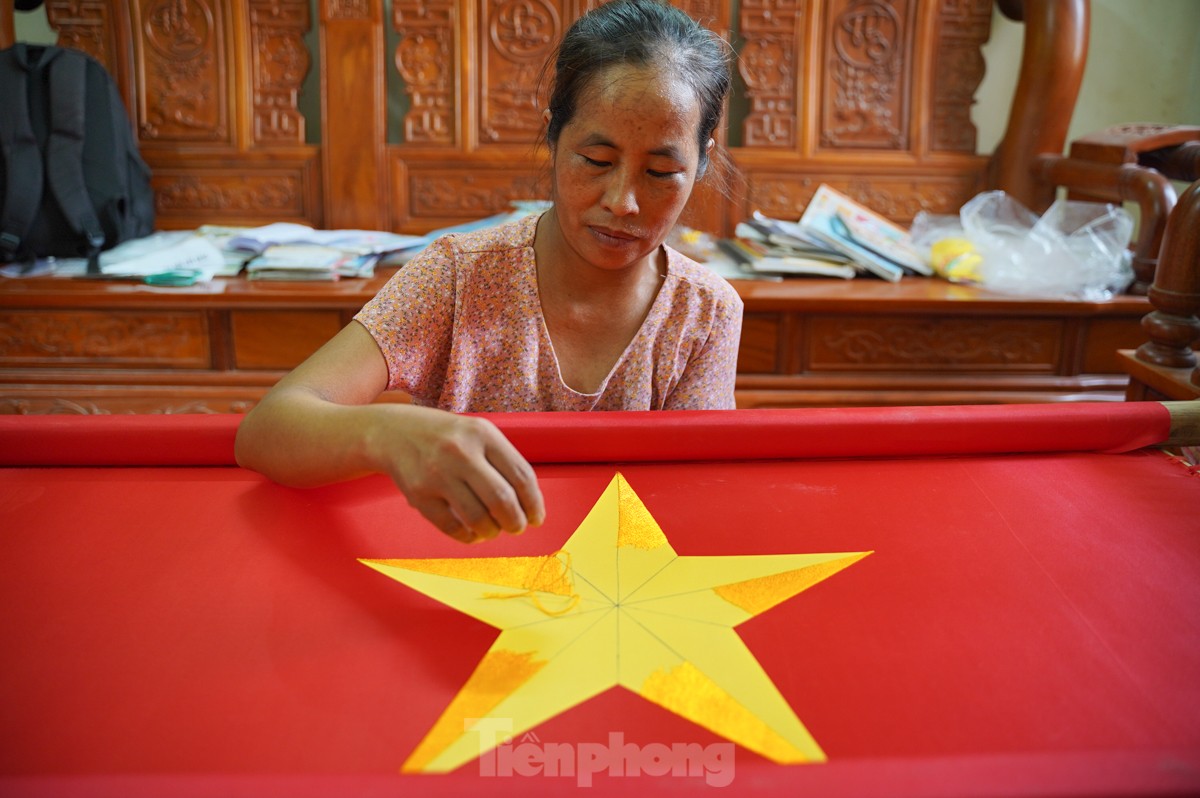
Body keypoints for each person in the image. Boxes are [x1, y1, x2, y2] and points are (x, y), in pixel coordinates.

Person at [234, 0, 743, 544]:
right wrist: (386, 433)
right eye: (596, 161)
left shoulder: (705, 311)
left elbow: (698, 491)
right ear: (553, 136)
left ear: (702, 161)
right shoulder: (459, 276)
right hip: (469, 571)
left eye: (662, 172)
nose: (623, 202)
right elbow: (267, 430)